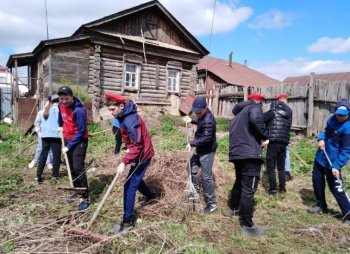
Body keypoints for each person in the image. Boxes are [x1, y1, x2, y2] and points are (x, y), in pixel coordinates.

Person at [105, 93, 156, 233]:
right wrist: (129, 148)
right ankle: (151, 196)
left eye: (112, 109)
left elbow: (138, 145)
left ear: (121, 106)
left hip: (143, 155)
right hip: (138, 152)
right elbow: (134, 141)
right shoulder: (124, 114)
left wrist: (124, 161)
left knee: (129, 185)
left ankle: (127, 222)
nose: (110, 113)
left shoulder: (130, 120)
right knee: (135, 180)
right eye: (108, 110)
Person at [228, 93, 269, 237]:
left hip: (237, 154)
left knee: (239, 182)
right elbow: (257, 121)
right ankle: (247, 226)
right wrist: (265, 136)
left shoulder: (237, 115)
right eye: (262, 103)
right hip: (250, 155)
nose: (262, 107)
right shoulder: (254, 108)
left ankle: (233, 208)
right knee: (249, 189)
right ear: (258, 101)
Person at [307, 99, 350, 224]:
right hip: (321, 157)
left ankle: (347, 214)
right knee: (317, 182)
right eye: (338, 114)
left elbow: (347, 150)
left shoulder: (348, 128)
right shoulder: (332, 119)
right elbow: (325, 132)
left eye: (343, 114)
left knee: (337, 188)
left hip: (333, 162)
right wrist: (321, 139)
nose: (340, 117)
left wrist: (337, 165)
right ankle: (321, 206)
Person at [182, 96, 218, 214]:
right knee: (190, 168)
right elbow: (199, 121)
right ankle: (195, 194)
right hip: (200, 148)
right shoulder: (202, 116)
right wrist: (191, 120)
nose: (196, 114)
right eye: (195, 112)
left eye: (198, 112)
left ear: (205, 108)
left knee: (206, 176)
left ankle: (212, 204)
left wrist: (191, 143)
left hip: (207, 151)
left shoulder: (209, 120)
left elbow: (206, 138)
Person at [57, 86, 90, 212]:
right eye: (62, 98)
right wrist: (60, 126)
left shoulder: (79, 111)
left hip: (79, 141)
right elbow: (61, 117)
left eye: (67, 98)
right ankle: (77, 191)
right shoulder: (60, 105)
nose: (64, 101)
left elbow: (81, 131)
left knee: (78, 168)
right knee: (70, 168)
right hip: (66, 138)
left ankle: (85, 198)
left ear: (72, 97)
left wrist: (69, 146)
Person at [263, 93, 293, 195]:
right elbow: (288, 126)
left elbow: (262, 120)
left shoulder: (272, 111)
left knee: (271, 167)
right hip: (284, 142)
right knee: (281, 167)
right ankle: (282, 188)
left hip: (273, 141)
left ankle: (272, 189)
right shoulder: (289, 112)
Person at [35, 95, 62, 183]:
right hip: (56, 135)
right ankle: (55, 176)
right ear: (59, 101)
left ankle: (38, 176)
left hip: (45, 136)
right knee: (56, 156)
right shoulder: (59, 110)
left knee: (43, 155)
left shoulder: (43, 111)